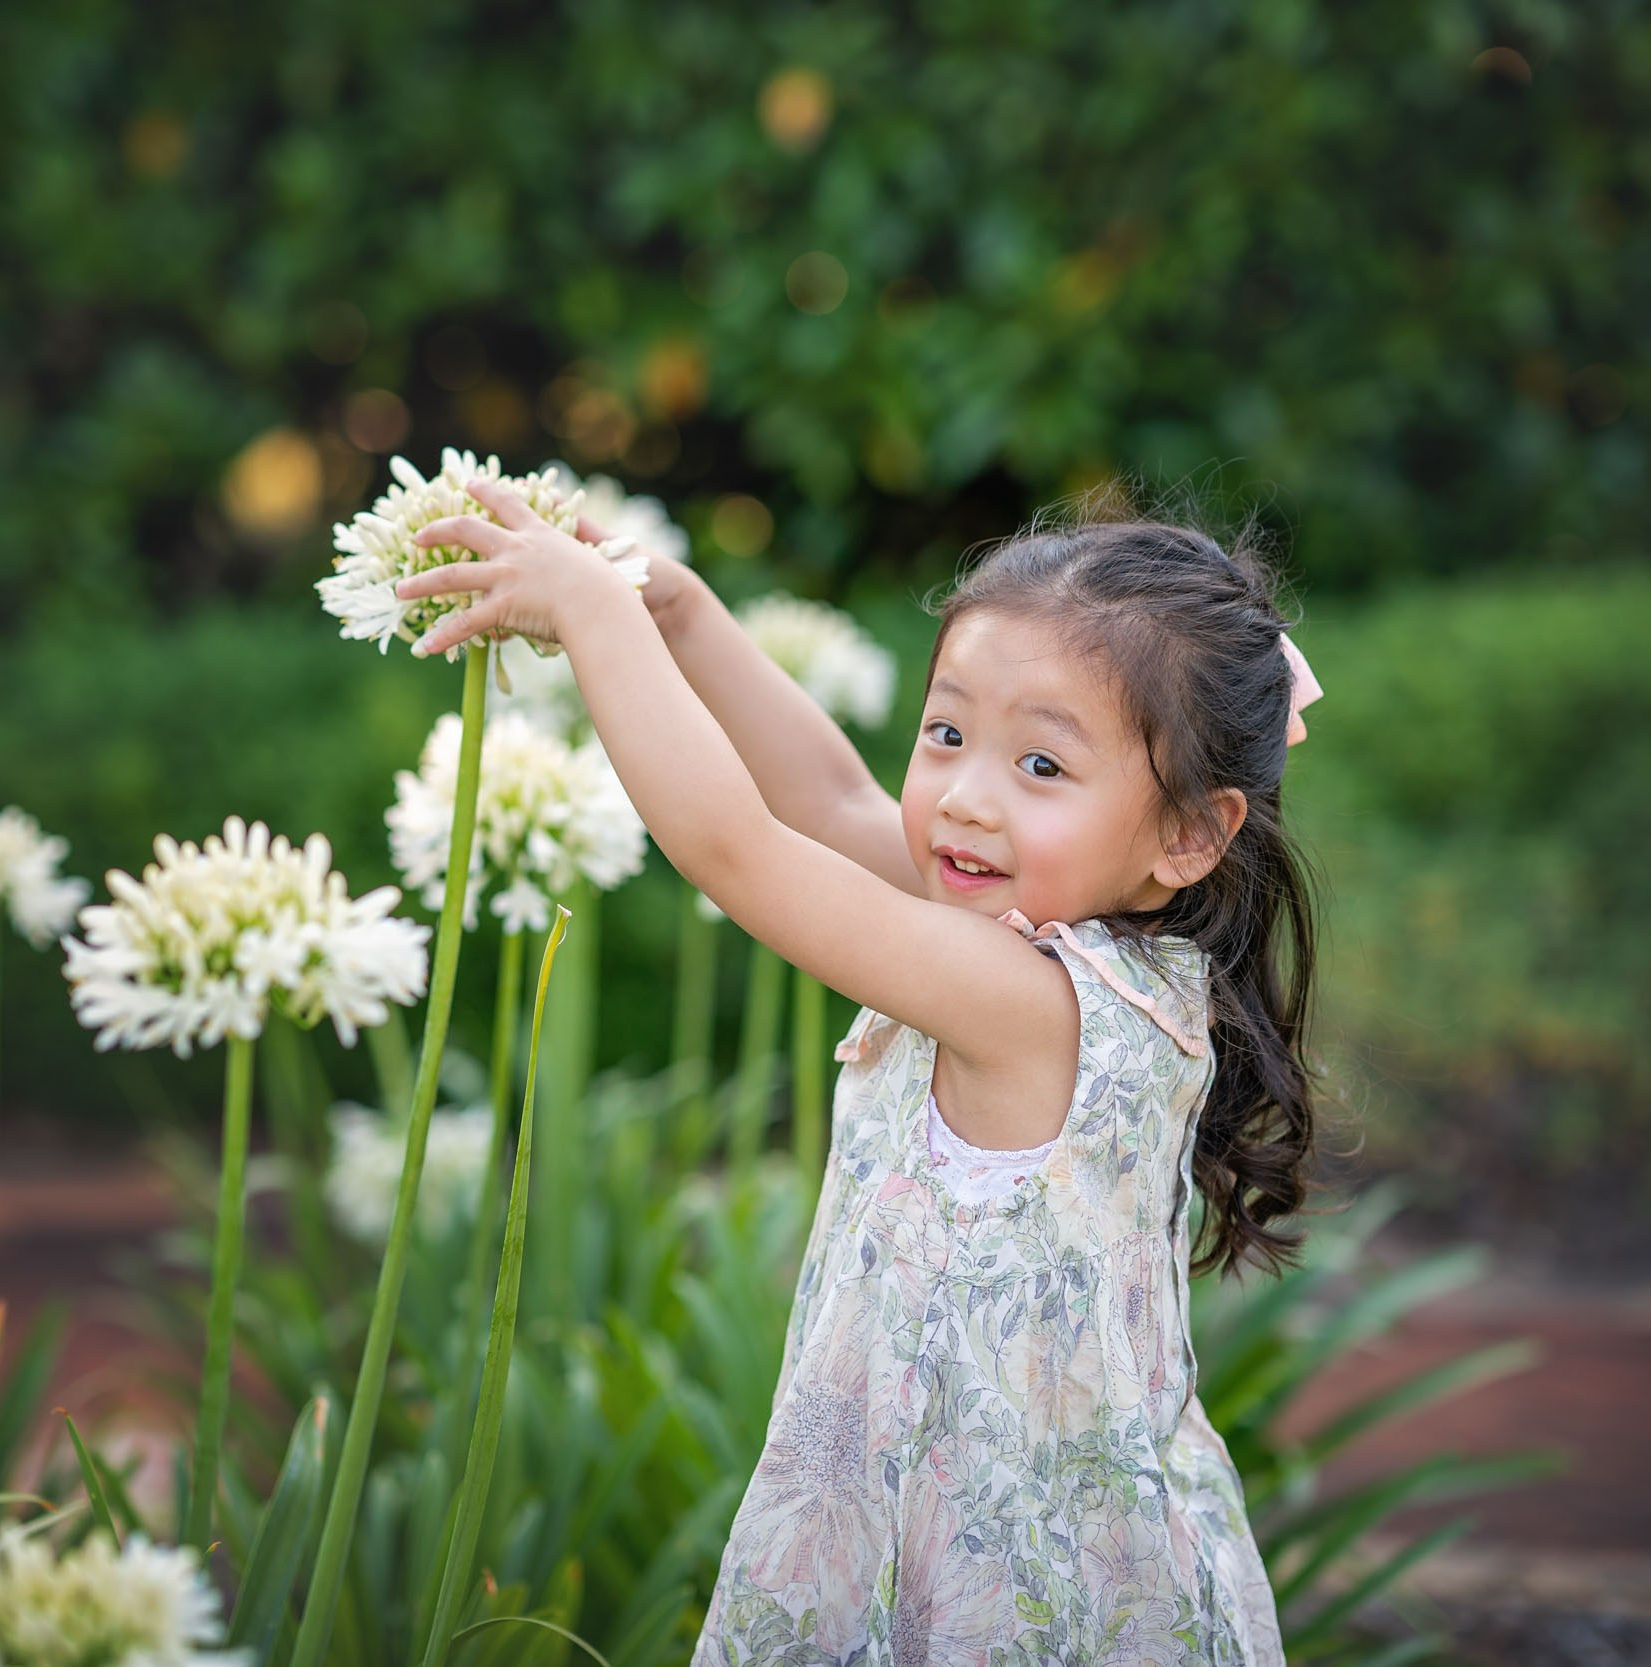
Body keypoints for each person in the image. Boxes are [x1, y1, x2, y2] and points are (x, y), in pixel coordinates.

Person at [398, 479, 1323, 1666]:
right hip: (922, 1517)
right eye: (946, 733)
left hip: (1008, 1576)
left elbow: (739, 849)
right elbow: (832, 797)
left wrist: (597, 621)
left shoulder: (1034, 1001)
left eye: (1041, 764)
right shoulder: (1032, 935)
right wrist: (681, 617)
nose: (966, 795)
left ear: (1187, 835)